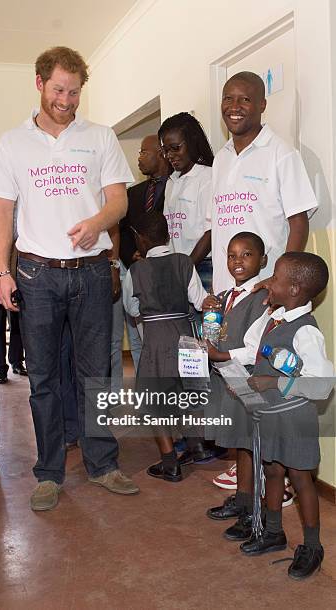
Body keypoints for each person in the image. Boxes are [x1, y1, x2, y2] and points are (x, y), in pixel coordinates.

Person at [0, 46, 139, 511]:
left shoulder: (100, 137)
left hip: (91, 271)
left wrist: (97, 223)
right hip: (36, 274)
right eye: (58, 90)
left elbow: (118, 201)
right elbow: (2, 210)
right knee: (44, 378)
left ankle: (102, 463)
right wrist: (1, 272)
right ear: (39, 83)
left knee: (96, 372)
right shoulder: (14, 143)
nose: (66, 100)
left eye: (74, 92)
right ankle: (49, 472)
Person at [207, 252, 334, 579]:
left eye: (275, 278)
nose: (268, 283)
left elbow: (321, 385)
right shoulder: (272, 317)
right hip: (269, 415)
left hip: (294, 419)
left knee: (301, 479)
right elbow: (253, 351)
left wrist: (274, 381)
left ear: (293, 289)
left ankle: (312, 546)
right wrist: (236, 374)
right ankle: (273, 531)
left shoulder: (305, 331)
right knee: (273, 471)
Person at [211, 71, 318, 294]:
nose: (234, 106)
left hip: (265, 288)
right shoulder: (221, 159)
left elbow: (299, 222)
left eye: (245, 99)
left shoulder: (282, 153)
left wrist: (281, 278)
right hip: (225, 289)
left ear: (262, 105)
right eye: (228, 98)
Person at [122, 212, 206, 482]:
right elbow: (199, 299)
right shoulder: (184, 262)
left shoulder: (136, 270)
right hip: (185, 334)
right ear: (168, 235)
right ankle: (197, 445)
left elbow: (132, 308)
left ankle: (170, 463)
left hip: (156, 340)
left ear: (140, 239)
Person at [203, 232, 269, 540]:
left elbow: (257, 349)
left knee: (249, 445)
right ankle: (242, 501)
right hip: (225, 379)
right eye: (232, 255)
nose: (238, 261)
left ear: (262, 260)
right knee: (238, 443)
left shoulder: (264, 298)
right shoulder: (227, 295)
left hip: (244, 381)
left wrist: (221, 354)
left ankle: (252, 509)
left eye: (247, 255)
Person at [118, 135, 172, 370]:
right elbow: (122, 230)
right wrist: (133, 256)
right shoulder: (133, 193)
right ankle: (145, 392)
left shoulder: (177, 185)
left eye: (143, 152)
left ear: (161, 154)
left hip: (165, 276)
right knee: (138, 339)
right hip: (137, 271)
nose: (138, 158)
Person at [159, 112, 213, 290]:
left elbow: (211, 232)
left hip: (203, 266)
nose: (170, 155)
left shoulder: (208, 177)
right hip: (177, 266)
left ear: (192, 142)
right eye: (166, 150)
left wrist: (188, 265)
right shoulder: (171, 181)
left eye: (175, 148)